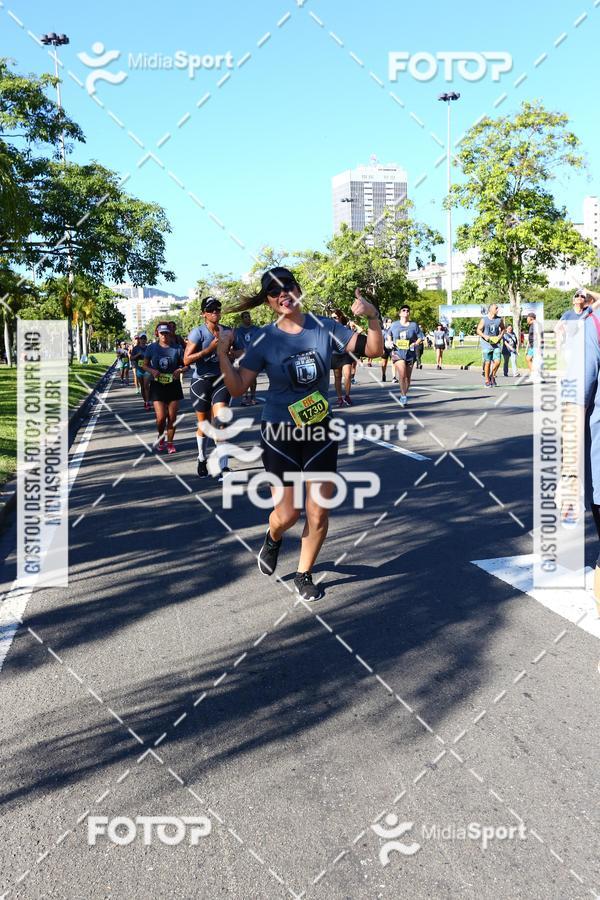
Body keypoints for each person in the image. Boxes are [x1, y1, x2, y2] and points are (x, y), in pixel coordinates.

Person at [216, 266, 383, 602]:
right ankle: (273, 536)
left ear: (297, 288)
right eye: (274, 291)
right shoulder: (264, 339)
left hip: (320, 430)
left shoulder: (324, 327)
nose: (283, 294)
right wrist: (222, 352)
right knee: (288, 514)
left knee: (319, 511)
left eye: (288, 286)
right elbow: (236, 388)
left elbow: (373, 350)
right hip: (279, 432)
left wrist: (373, 317)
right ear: (268, 301)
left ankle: (304, 573)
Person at [184, 296, 233, 479]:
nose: (215, 312)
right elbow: (186, 360)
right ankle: (202, 458)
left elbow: (241, 351)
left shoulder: (227, 331)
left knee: (220, 422)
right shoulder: (198, 333)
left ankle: (224, 467)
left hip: (221, 380)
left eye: (217, 309)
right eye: (211, 310)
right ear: (203, 313)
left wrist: (231, 353)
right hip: (201, 382)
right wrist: (209, 349)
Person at [142, 323, 186, 453]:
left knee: (172, 417)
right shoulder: (152, 348)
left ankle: (170, 443)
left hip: (173, 384)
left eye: (166, 333)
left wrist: (180, 370)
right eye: (162, 333)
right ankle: (161, 437)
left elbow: (186, 365)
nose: (164, 336)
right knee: (161, 417)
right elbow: (144, 365)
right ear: (157, 334)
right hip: (157, 385)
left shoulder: (177, 348)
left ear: (170, 333)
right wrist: (152, 371)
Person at [388, 305, 423, 407]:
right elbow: (389, 334)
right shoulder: (394, 325)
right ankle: (403, 396)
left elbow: (420, 337)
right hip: (397, 352)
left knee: (407, 377)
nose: (406, 312)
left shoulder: (413, 325)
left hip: (410, 353)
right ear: (400, 313)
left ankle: (404, 394)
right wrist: (390, 342)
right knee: (402, 374)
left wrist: (415, 343)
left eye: (408, 311)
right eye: (403, 310)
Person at [233, 310, 261, 405]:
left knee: (253, 378)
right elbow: (234, 344)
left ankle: (253, 397)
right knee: (243, 378)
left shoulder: (256, 329)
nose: (248, 318)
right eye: (245, 317)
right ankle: (244, 397)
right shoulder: (237, 331)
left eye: (249, 316)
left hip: (254, 357)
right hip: (242, 358)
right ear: (242, 319)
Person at [477, 303, 505, 387]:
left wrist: (500, 336)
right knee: (488, 362)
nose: (498, 310)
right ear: (491, 310)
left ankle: (492, 376)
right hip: (486, 344)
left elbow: (503, 328)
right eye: (496, 308)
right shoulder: (484, 320)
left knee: (498, 362)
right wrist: (484, 336)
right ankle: (487, 380)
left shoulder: (499, 320)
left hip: (496, 343)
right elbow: (478, 330)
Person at [330, 309, 354, 406]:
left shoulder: (346, 328)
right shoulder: (330, 328)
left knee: (347, 375)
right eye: (332, 318)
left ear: (340, 317)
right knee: (337, 377)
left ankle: (347, 396)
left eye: (335, 317)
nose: (333, 319)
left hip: (346, 354)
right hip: (335, 354)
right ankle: (339, 398)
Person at [130, 333, 152, 409]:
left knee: (146, 386)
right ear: (139, 340)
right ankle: (145, 401)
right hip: (139, 370)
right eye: (141, 338)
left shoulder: (148, 348)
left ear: (146, 340)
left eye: (144, 338)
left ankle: (148, 402)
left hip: (147, 369)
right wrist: (138, 355)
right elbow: (131, 358)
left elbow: (153, 357)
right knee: (142, 386)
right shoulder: (135, 348)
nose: (143, 340)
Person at [381, 317, 394, 382]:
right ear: (386, 323)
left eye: (391, 322)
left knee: (394, 362)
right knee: (384, 363)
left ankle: (394, 377)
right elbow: (381, 340)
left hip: (392, 348)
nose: (390, 323)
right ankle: (383, 374)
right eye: (389, 322)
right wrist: (382, 349)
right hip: (385, 348)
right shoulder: (383, 331)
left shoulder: (394, 330)